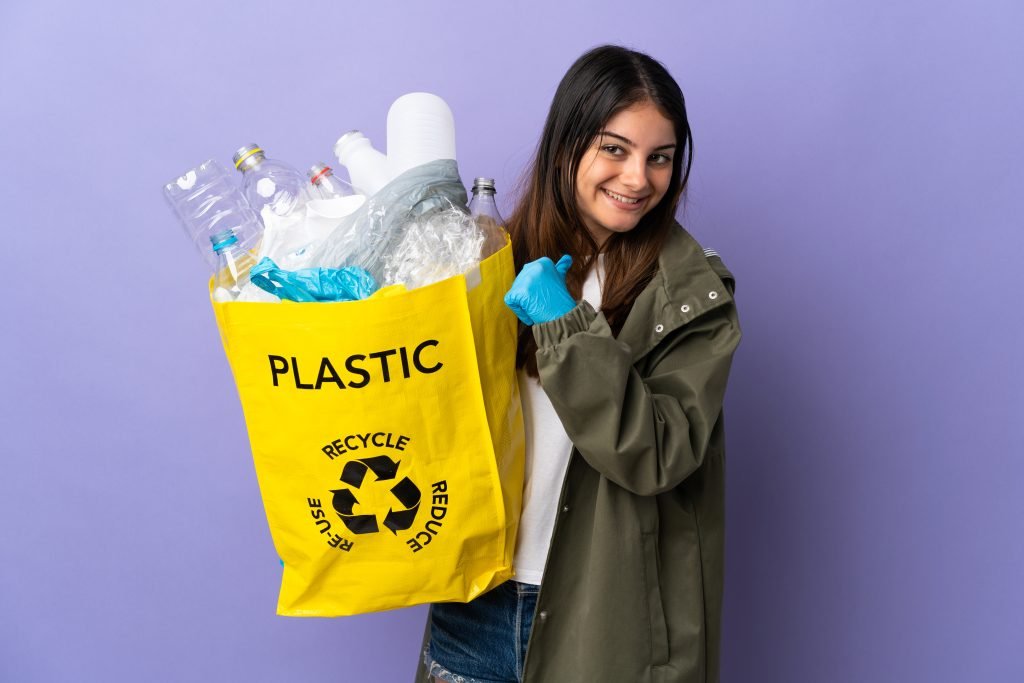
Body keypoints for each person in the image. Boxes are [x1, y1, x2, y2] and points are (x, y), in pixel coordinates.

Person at [416, 44, 742, 683]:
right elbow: (434, 420)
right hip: (474, 605)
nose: (638, 178)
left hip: (606, 623)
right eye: (614, 149)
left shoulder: (691, 295)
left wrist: (563, 324)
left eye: (660, 158)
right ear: (566, 145)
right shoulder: (490, 262)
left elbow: (655, 453)